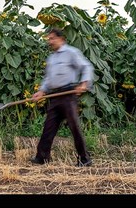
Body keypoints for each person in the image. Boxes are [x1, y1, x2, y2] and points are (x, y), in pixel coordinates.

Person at [31, 28, 94, 167]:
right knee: (49, 127)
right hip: (54, 96)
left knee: (74, 128)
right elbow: (49, 78)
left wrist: (84, 83)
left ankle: (84, 159)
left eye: (52, 38)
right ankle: (42, 157)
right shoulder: (52, 58)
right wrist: (41, 91)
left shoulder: (71, 53)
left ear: (61, 39)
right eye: (49, 39)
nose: (50, 41)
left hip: (68, 96)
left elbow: (86, 67)